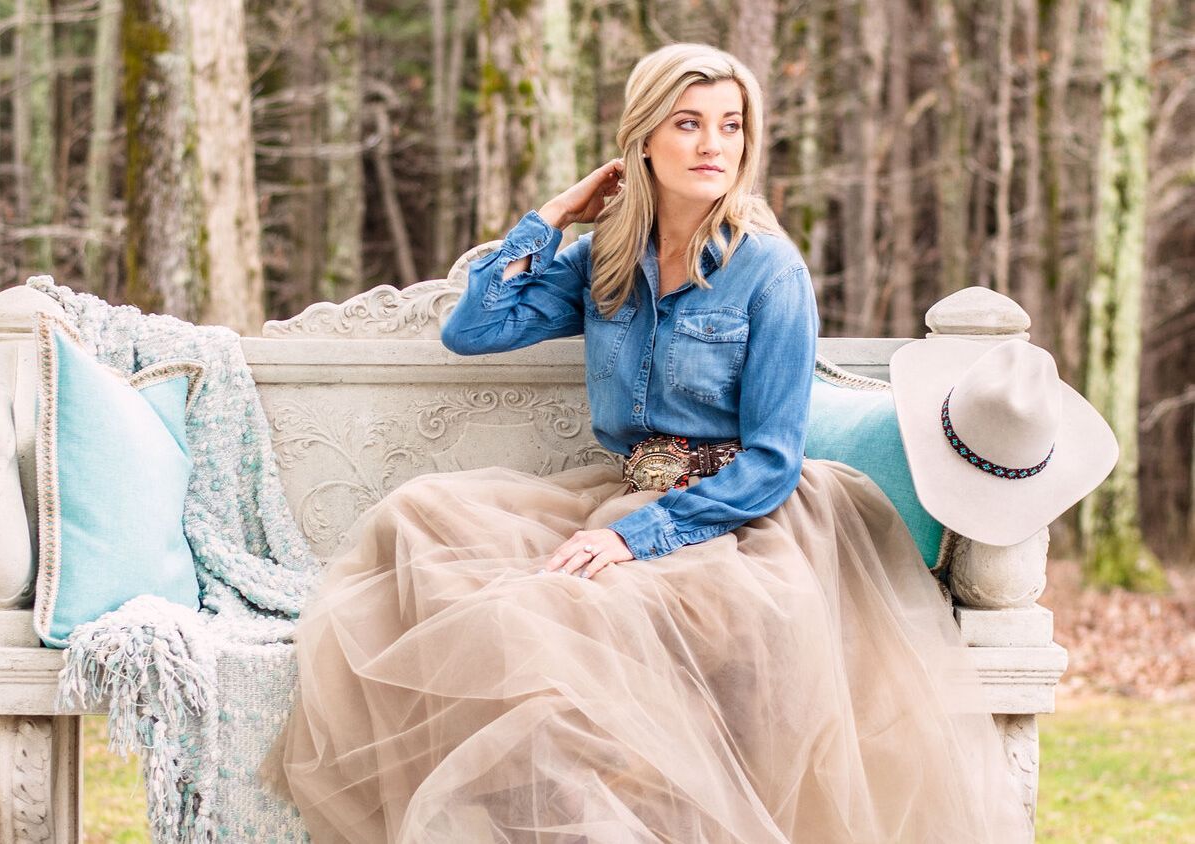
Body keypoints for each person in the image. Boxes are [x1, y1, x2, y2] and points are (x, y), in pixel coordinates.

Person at [273, 43, 1033, 843]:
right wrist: (556, 214)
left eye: (731, 127)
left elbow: (775, 458)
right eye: (688, 123)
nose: (714, 145)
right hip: (627, 489)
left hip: (743, 522)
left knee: (579, 609)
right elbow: (473, 328)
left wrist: (637, 538)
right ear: (642, 140)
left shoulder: (768, 269)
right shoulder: (604, 260)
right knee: (419, 517)